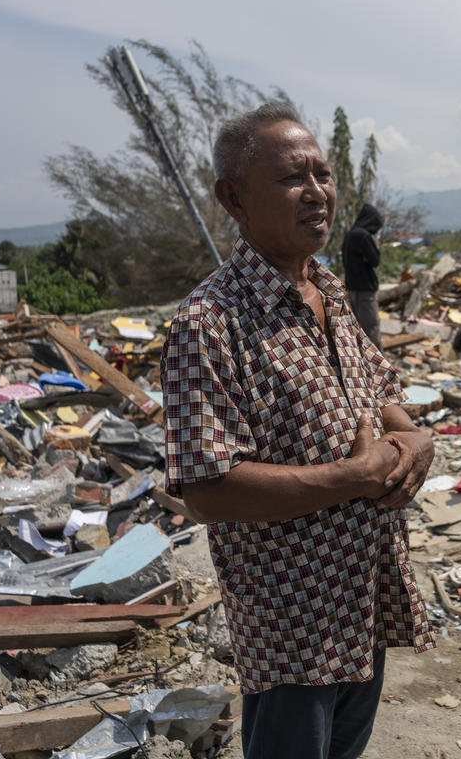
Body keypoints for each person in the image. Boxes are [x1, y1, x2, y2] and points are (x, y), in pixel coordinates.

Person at [161, 101, 435, 759]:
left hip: (362, 597)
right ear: (233, 197)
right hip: (293, 623)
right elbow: (209, 490)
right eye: (292, 179)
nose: (317, 193)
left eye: (323, 174)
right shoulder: (209, 323)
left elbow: (384, 395)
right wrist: (352, 477)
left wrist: (414, 440)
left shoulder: (326, 290)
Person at [342, 203, 384, 347]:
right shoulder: (363, 236)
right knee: (371, 329)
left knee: (358, 330)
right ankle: (378, 367)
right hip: (365, 290)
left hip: (352, 288)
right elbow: (375, 260)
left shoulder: (349, 235)